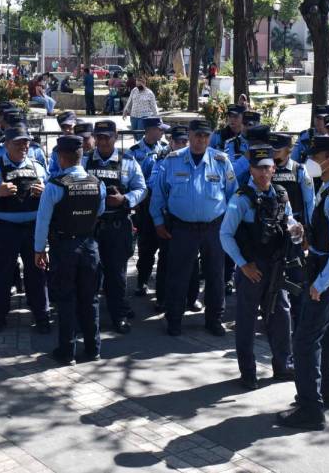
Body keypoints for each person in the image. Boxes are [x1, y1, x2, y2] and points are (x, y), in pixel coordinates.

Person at [277, 136, 329, 430]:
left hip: (327, 276)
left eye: (315, 156)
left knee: (305, 341)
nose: (310, 161)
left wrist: (320, 284)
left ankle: (310, 409)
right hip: (326, 272)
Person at [221, 146, 303, 390]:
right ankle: (248, 372)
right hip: (252, 268)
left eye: (267, 167)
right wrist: (243, 264)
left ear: (274, 168)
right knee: (246, 321)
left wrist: (296, 230)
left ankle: (283, 365)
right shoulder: (242, 198)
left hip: (277, 266)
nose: (264, 172)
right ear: (251, 170)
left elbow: (289, 222)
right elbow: (225, 235)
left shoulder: (280, 194)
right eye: (258, 168)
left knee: (281, 316)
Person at [148, 119, 236, 336]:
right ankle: (174, 319)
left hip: (214, 228)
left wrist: (230, 226)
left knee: (216, 276)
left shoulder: (221, 161)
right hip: (182, 229)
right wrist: (158, 221)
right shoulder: (172, 160)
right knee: (177, 275)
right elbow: (158, 194)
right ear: (189, 134)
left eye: (206, 136)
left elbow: (233, 195)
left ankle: (214, 319)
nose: (201, 140)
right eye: (197, 135)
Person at [34, 135, 107, 364]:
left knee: (66, 300)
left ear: (59, 157)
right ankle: (94, 348)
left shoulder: (55, 186)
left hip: (64, 247)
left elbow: (42, 221)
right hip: (90, 246)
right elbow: (100, 211)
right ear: (81, 156)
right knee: (90, 298)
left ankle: (67, 352)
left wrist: (39, 250)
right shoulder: (98, 183)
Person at [0, 124, 51, 333]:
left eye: (26, 141)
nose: (23, 146)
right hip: (5, 229)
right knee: (1, 274)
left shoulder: (38, 166)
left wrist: (44, 192)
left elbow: (53, 194)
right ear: (7, 144)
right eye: (18, 142)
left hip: (33, 229)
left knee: (37, 273)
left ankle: (42, 316)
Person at [85, 120, 147, 333]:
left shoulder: (128, 162)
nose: (102, 141)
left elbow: (141, 189)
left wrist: (125, 199)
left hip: (117, 226)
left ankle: (118, 315)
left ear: (116, 136)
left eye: (107, 137)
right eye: (99, 137)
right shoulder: (84, 162)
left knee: (116, 275)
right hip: (90, 227)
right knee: (88, 274)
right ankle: (86, 318)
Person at [129, 117, 171, 297]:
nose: (162, 132)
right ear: (149, 130)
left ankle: (163, 283)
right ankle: (142, 280)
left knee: (166, 246)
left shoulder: (166, 148)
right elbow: (131, 179)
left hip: (165, 205)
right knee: (146, 246)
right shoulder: (134, 151)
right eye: (159, 129)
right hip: (145, 205)